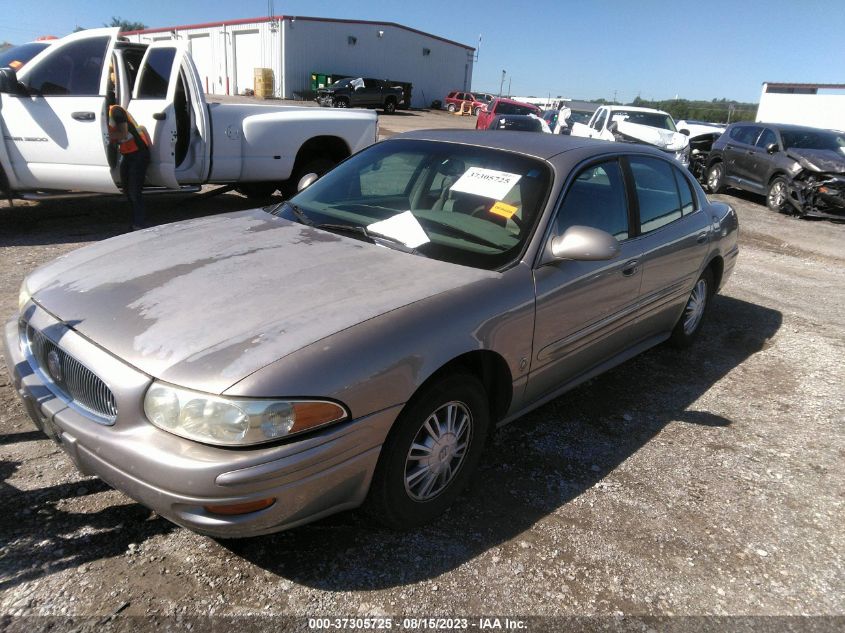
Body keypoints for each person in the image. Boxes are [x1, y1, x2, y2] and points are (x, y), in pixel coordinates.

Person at [108, 105, 150, 230]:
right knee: (127, 190)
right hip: (128, 154)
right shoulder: (110, 115)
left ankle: (139, 224)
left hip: (138, 153)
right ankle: (135, 222)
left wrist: (104, 135)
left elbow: (123, 133)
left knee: (134, 191)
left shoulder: (115, 111)